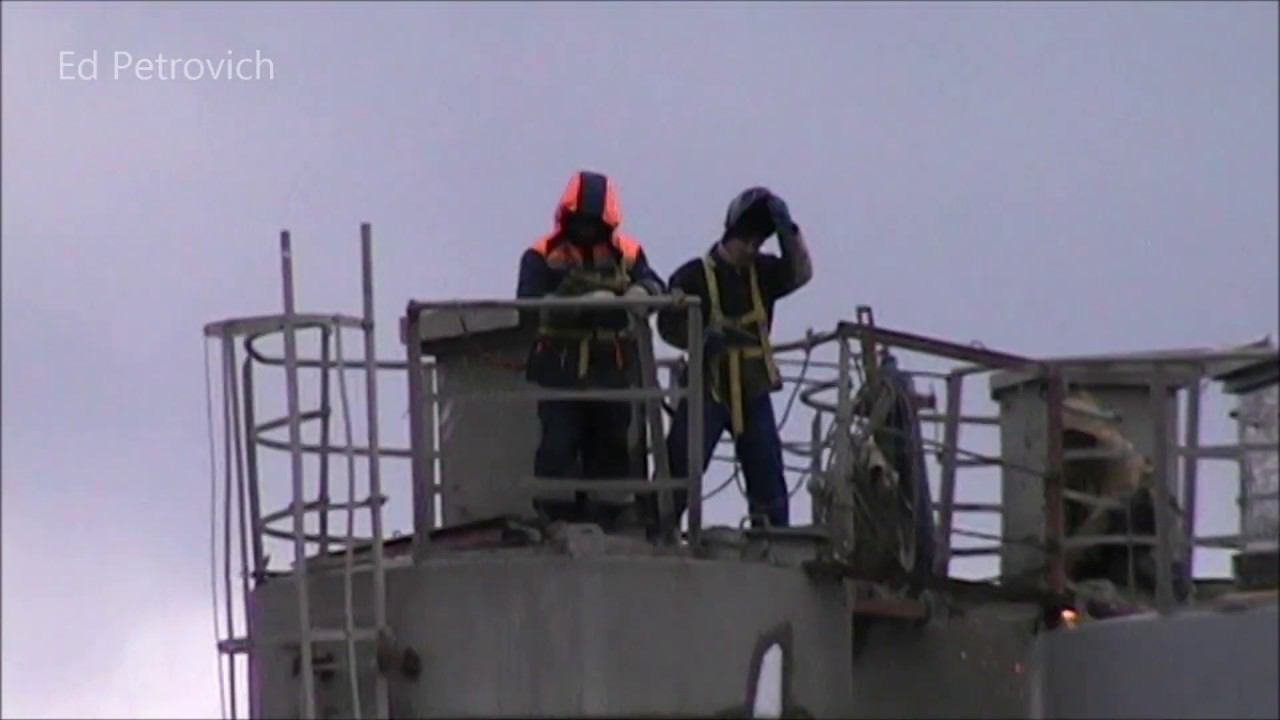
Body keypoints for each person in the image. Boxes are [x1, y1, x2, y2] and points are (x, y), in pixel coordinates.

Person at [658, 187, 813, 529]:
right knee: (683, 460)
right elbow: (667, 324)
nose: (751, 249)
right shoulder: (693, 276)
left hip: (753, 387)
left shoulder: (764, 273)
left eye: (757, 242)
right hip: (707, 385)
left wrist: (789, 231)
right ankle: (659, 526)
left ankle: (771, 535)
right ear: (730, 236)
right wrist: (698, 337)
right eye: (746, 240)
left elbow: (799, 273)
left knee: (766, 466)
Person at [516, 170, 665, 524]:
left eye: (591, 220)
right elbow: (527, 307)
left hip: (609, 365)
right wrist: (577, 302)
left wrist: (644, 292)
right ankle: (554, 517)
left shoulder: (626, 253)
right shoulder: (541, 254)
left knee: (612, 443)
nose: (585, 227)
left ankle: (611, 516)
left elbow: (653, 280)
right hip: (560, 365)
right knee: (558, 443)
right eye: (579, 219)